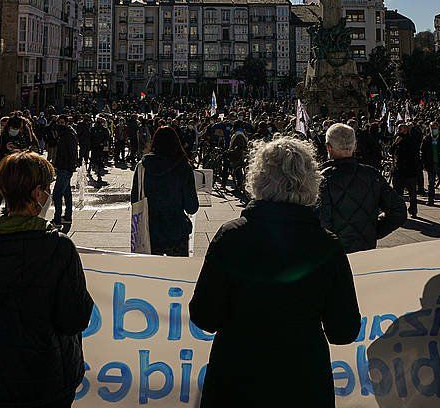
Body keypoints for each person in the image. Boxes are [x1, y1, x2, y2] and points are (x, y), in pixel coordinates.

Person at [190, 137, 361, 408]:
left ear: (258, 178)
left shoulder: (232, 237)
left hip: (237, 379)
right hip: (303, 382)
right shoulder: (327, 245)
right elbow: (344, 330)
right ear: (310, 182)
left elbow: (204, 315)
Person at [0, 152, 94, 408]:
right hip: (50, 377)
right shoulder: (59, 247)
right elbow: (75, 318)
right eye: (47, 189)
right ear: (38, 194)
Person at [316, 122, 406, 253]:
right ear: (355, 146)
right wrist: (371, 231)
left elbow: (321, 223)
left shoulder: (322, 179)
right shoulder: (371, 174)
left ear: (328, 147)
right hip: (365, 249)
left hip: (334, 255)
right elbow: (399, 211)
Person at [131, 126, 199, 256]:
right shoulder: (183, 168)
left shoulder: (142, 167)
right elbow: (192, 207)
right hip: (176, 231)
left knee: (152, 274)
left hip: (150, 232)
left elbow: (135, 201)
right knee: (176, 274)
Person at [48, 114, 80, 228]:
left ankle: (57, 220)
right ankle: (67, 217)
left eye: (62, 122)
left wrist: (70, 167)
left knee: (57, 194)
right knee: (67, 193)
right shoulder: (64, 134)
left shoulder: (68, 135)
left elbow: (72, 153)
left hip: (65, 168)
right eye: (59, 122)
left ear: (66, 123)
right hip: (63, 167)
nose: (60, 125)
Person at [390, 123, 423, 217]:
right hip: (399, 170)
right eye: (400, 129)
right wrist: (395, 143)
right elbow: (390, 151)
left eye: (404, 129)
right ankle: (399, 210)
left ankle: (413, 210)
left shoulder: (411, 139)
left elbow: (415, 152)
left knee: (412, 193)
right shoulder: (397, 139)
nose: (402, 131)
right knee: (398, 193)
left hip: (410, 170)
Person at [422, 120, 440, 206]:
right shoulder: (426, 139)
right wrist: (424, 164)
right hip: (431, 164)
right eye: (432, 128)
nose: (434, 129)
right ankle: (430, 200)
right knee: (431, 183)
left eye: (435, 128)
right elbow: (423, 152)